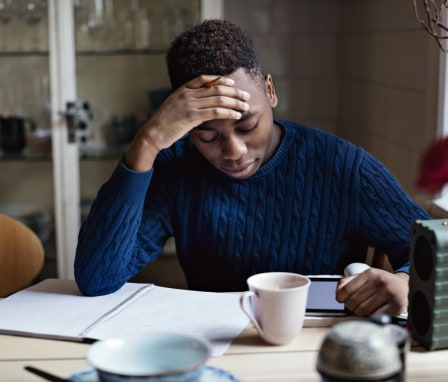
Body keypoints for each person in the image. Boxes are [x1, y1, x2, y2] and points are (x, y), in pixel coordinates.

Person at [75, 19, 430, 318]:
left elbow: (433, 250)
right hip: (212, 342)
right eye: (208, 136)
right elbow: (97, 279)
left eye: (247, 126)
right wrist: (148, 141)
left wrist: (405, 280)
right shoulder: (176, 170)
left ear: (270, 91)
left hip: (312, 348)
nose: (234, 151)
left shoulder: (342, 166)